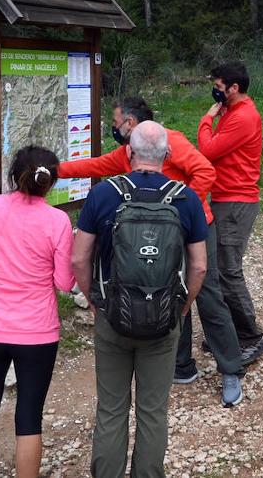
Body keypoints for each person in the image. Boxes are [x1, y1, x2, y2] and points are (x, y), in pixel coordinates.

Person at [57, 96, 244, 406]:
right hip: (159, 235)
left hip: (194, 228)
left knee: (208, 295)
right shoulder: (131, 152)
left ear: (130, 124)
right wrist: (55, 169)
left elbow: (205, 172)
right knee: (169, 288)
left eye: (116, 123)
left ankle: (231, 370)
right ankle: (181, 365)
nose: (114, 128)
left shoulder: (170, 141)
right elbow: (96, 165)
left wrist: (182, 209)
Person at [71, 121, 209, 478]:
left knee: (112, 410)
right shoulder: (186, 199)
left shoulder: (102, 195)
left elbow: (78, 258)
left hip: (113, 317)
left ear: (129, 153)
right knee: (152, 411)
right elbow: (199, 267)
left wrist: (94, 299)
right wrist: (181, 307)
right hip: (164, 320)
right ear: (167, 155)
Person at [0, 146, 74, 478]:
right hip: (37, 333)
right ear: (51, 182)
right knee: (29, 416)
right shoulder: (58, 221)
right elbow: (64, 283)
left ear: (14, 175)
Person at [197, 61, 263, 365]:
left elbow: (208, 150)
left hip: (236, 201)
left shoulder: (244, 116)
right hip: (224, 197)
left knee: (228, 270)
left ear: (234, 88)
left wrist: (206, 119)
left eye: (218, 85)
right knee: (221, 268)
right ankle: (229, 334)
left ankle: (251, 338)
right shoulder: (232, 111)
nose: (215, 90)